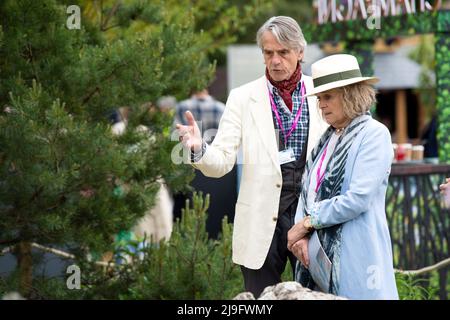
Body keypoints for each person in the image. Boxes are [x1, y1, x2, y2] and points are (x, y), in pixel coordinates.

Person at [176, 16, 328, 297]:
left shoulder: (321, 93)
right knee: (259, 301)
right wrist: (199, 148)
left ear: (300, 52)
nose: (275, 61)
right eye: (268, 53)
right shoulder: (242, 97)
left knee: (315, 295)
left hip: (310, 218)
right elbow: (220, 162)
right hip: (260, 220)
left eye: (283, 52)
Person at [287, 54, 399, 299]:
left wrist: (306, 223)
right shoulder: (328, 138)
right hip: (316, 261)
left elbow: (357, 198)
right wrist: (301, 239)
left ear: (350, 94)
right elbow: (308, 191)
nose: (321, 105)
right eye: (319, 98)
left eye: (328, 97)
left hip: (357, 257)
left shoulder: (374, 134)